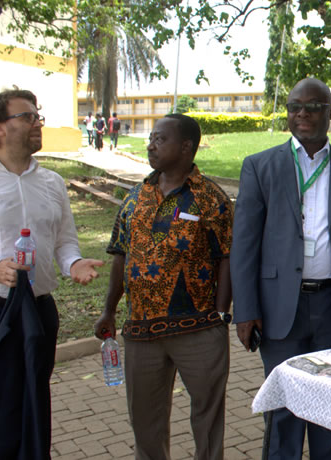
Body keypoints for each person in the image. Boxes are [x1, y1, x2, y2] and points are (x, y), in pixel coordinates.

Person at [0, 88, 104, 458]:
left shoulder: (52, 183)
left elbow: (64, 243)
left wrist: (73, 264)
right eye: (27, 116)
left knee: (33, 405)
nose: (37, 122)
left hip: (40, 313)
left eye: (37, 115)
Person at [231, 77, 331, 460]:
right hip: (279, 308)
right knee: (284, 411)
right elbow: (243, 245)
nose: (303, 114)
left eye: (313, 107)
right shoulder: (260, 167)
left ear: (330, 112)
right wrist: (245, 311)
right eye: (295, 107)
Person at [94, 114, 233, 460]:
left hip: (198, 328)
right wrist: (109, 310)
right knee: (145, 422)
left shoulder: (211, 198)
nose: (150, 145)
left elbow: (227, 256)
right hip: (141, 331)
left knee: (207, 418)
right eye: (151, 139)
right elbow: (119, 255)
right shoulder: (135, 196)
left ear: (186, 147)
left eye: (160, 139)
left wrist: (220, 313)